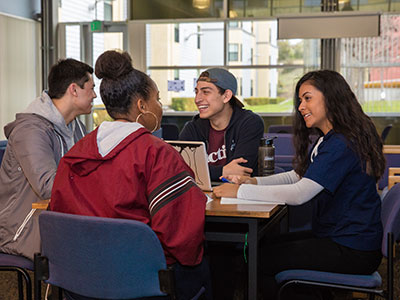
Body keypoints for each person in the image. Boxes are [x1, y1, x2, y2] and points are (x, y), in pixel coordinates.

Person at [50, 50, 212, 300]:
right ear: (141, 105)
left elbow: (60, 219)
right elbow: (182, 238)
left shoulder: (75, 154)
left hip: (81, 281)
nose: (160, 107)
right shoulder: (158, 154)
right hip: (142, 282)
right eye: (157, 99)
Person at [214, 70, 385, 299]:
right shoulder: (332, 138)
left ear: (331, 96)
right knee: (258, 248)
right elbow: (298, 176)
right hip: (344, 239)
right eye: (300, 100)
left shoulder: (342, 143)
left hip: (352, 248)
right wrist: (252, 181)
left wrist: (240, 191)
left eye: (308, 98)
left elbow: (300, 193)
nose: (301, 106)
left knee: (258, 258)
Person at [0, 58, 96, 260]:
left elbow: (92, 169)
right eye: (91, 88)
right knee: (99, 249)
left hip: (56, 219)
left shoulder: (75, 127)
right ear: (74, 90)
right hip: (22, 229)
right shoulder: (31, 131)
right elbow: (49, 187)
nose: (95, 95)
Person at [179, 68, 264, 181]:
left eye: (205, 92)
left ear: (226, 96)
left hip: (237, 194)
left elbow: (240, 171)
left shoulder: (250, 123)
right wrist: (222, 171)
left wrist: (203, 172)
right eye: (196, 92)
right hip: (202, 194)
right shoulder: (192, 128)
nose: (197, 99)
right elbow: (180, 171)